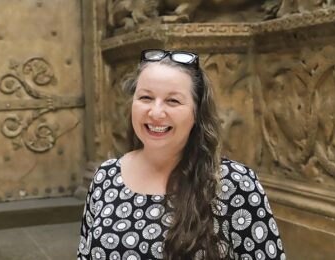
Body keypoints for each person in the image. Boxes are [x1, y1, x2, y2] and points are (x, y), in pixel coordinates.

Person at [77, 49, 285, 259]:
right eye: (146, 97)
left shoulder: (235, 183)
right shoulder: (106, 176)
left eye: (173, 101)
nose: (156, 113)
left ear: (197, 112)